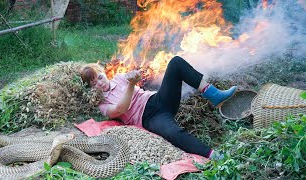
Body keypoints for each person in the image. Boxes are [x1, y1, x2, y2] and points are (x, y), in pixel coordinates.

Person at [80, 56, 237, 160]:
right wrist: (131, 85)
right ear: (91, 88)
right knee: (173, 132)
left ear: (104, 73)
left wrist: (135, 76)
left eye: (100, 77)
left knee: (175, 63)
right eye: (94, 84)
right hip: (149, 118)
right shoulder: (102, 103)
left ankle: (213, 94)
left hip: (158, 99)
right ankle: (213, 155)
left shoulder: (119, 78)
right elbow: (121, 109)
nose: (100, 83)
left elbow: (137, 78)